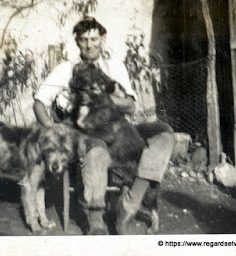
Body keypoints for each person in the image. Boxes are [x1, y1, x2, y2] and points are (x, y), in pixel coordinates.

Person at [33, 17, 175, 235]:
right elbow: (39, 102)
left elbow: (131, 106)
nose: (89, 45)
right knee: (96, 151)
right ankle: (96, 220)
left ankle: (130, 203)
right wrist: (53, 129)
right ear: (77, 42)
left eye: (94, 39)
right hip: (87, 132)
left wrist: (105, 99)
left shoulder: (115, 66)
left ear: (102, 39)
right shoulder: (65, 69)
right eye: (83, 40)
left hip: (120, 130)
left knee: (165, 136)